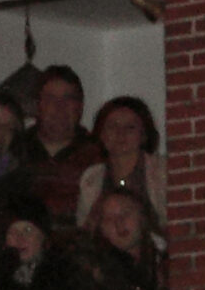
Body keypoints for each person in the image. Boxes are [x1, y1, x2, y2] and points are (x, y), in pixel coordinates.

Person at [15, 64, 104, 229]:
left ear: (80, 107)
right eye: (50, 99)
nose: (59, 107)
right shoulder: (15, 149)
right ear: (38, 106)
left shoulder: (98, 154)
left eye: (68, 99)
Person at [76, 95, 167, 228]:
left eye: (130, 127)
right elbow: (85, 230)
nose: (120, 133)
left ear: (144, 135)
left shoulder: (163, 171)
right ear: (101, 134)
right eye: (112, 126)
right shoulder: (91, 178)